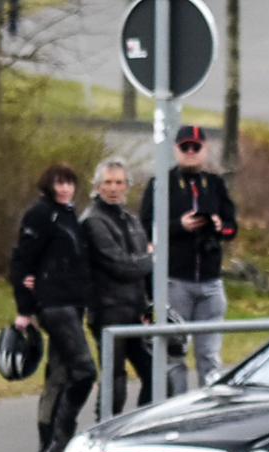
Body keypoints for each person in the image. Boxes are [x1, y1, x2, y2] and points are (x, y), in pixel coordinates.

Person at [9, 162, 98, 452]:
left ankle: (49, 449)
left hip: (73, 305)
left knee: (59, 376)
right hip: (54, 306)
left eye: (69, 183)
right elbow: (22, 260)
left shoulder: (70, 216)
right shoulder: (40, 215)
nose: (64, 188)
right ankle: (60, 443)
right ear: (48, 185)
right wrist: (24, 309)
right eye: (58, 183)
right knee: (85, 371)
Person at [139, 124, 238, 392]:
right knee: (174, 354)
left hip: (210, 280)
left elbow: (232, 228)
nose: (191, 153)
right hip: (175, 280)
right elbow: (145, 228)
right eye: (185, 148)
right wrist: (179, 226)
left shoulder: (215, 184)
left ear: (205, 150)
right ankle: (177, 406)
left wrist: (218, 226)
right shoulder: (161, 183)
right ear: (176, 150)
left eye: (196, 147)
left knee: (208, 355)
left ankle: (206, 408)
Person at [79, 159, 155, 414]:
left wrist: (152, 306)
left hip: (136, 311)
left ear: (127, 187)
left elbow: (144, 268)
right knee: (115, 384)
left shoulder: (132, 220)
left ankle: (140, 434)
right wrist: (152, 259)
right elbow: (120, 266)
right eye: (108, 182)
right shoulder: (92, 221)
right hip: (108, 310)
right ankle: (105, 437)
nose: (113, 188)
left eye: (119, 182)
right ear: (97, 186)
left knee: (157, 378)